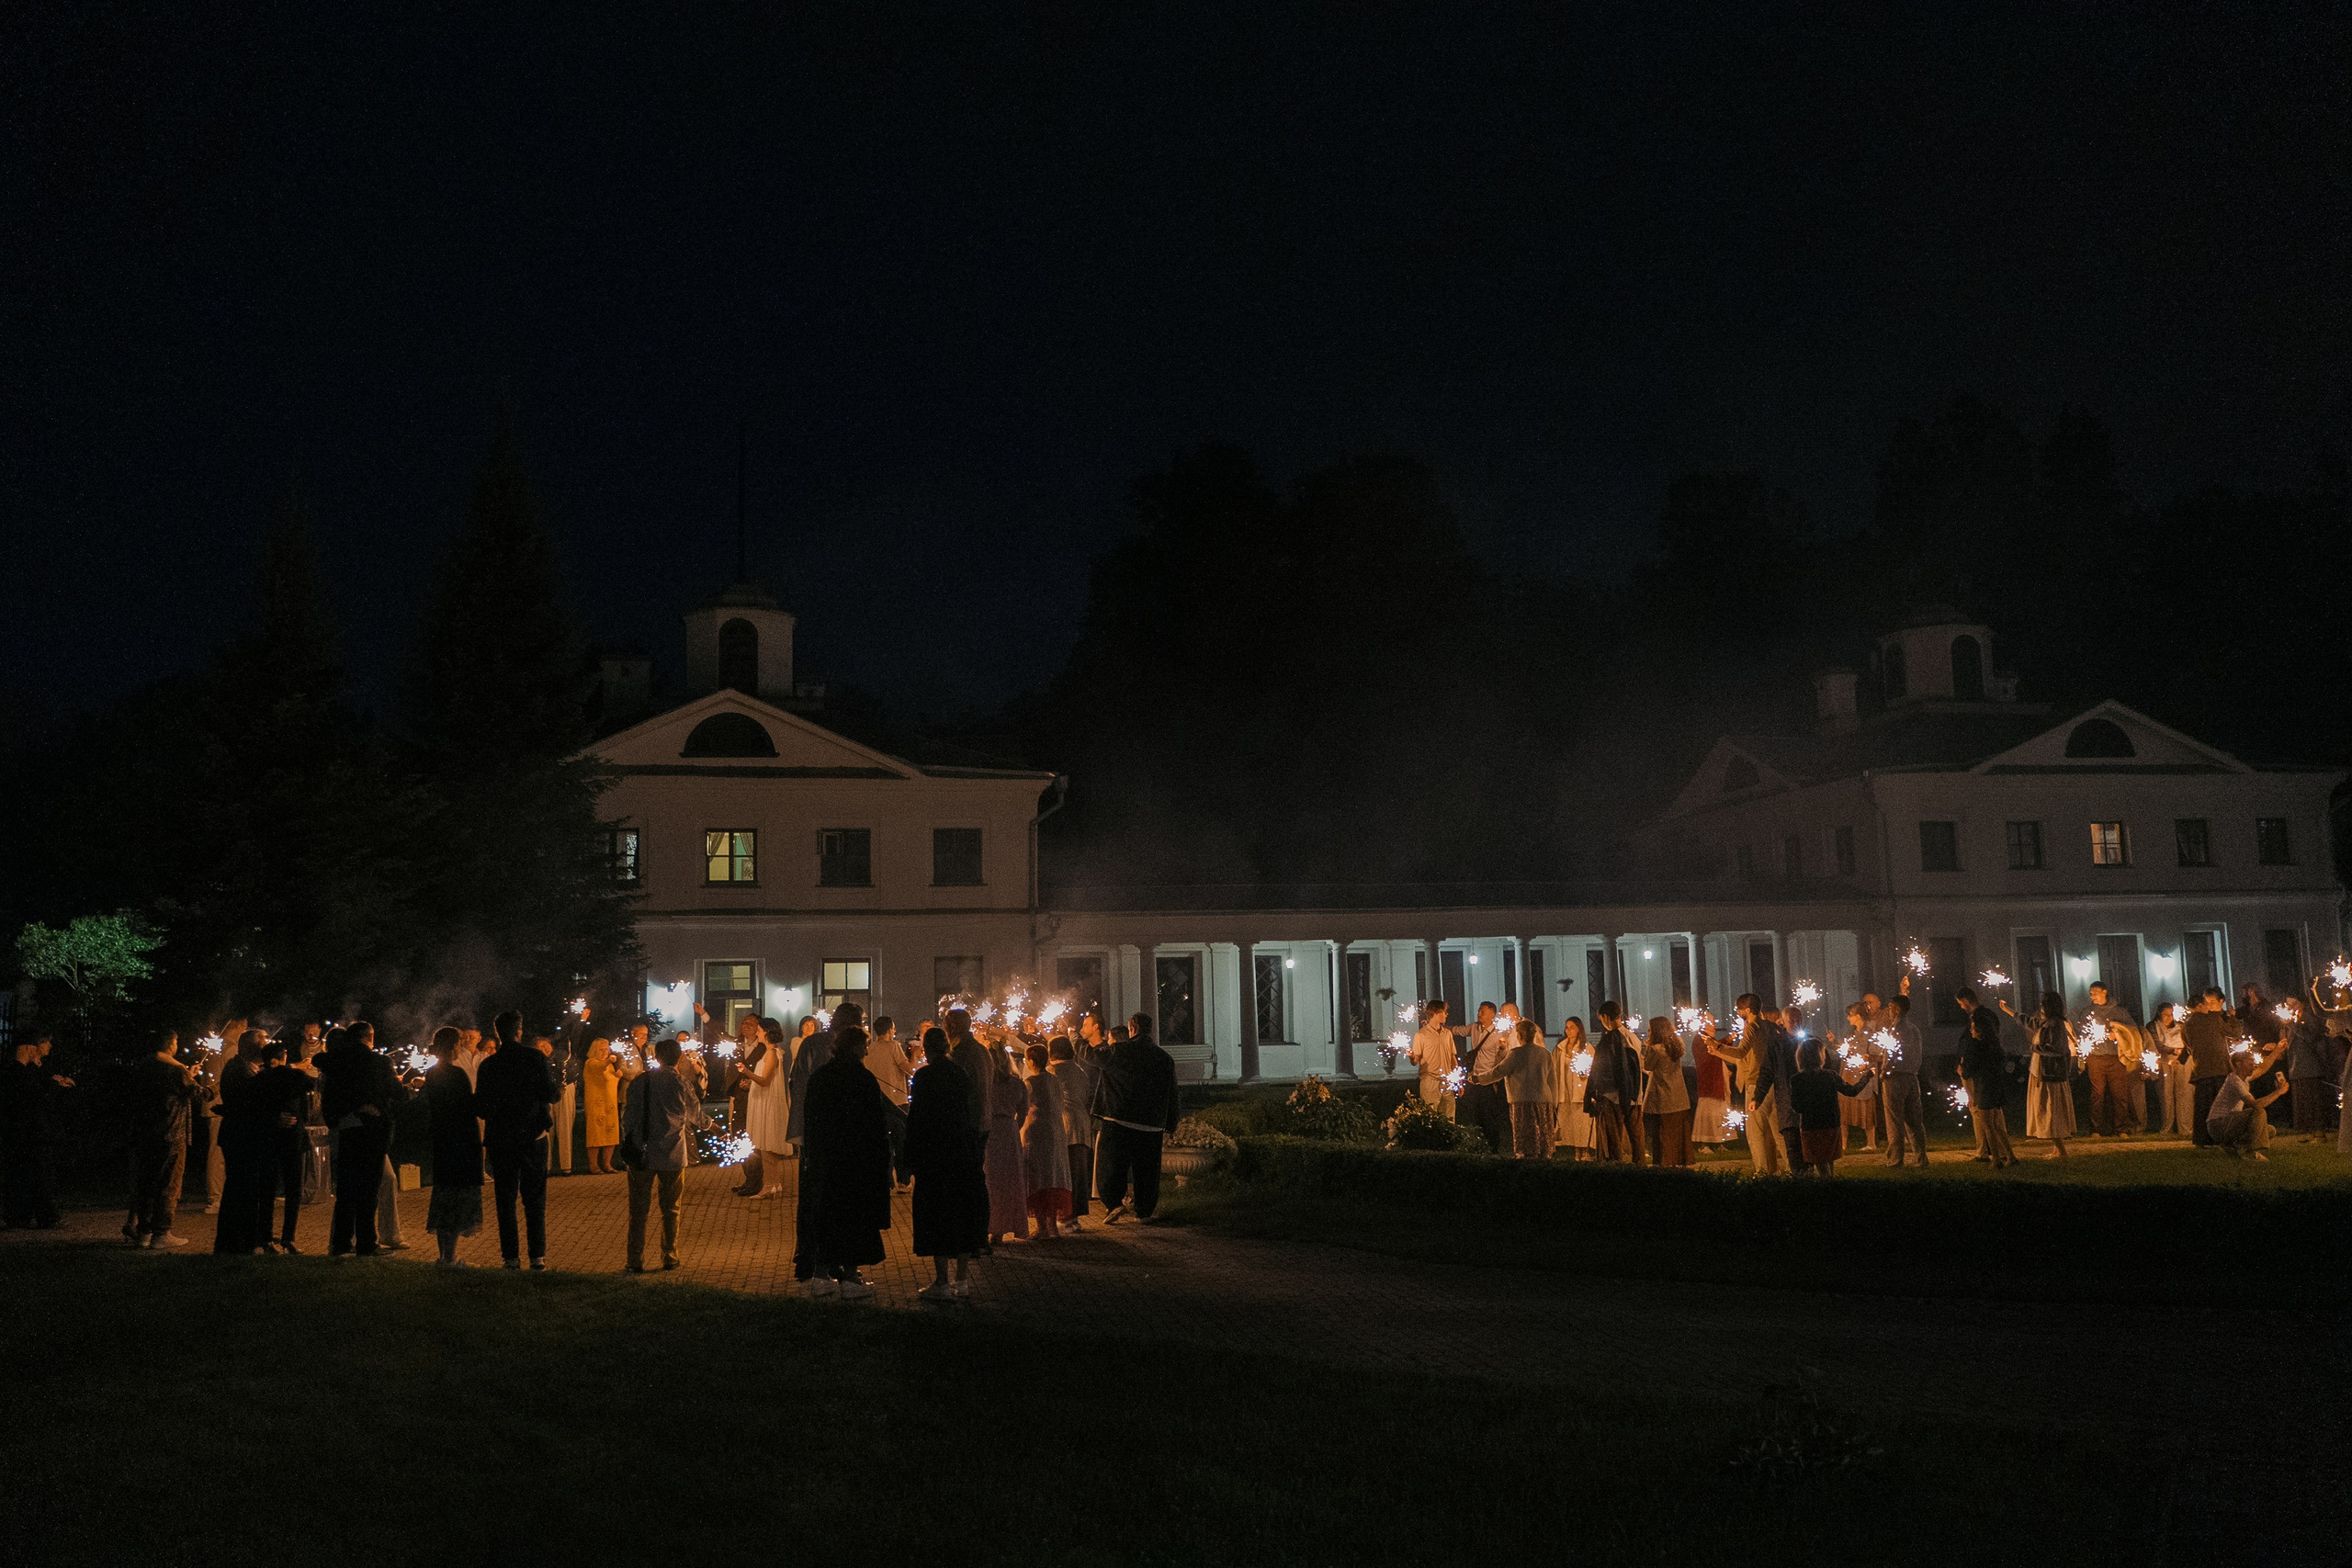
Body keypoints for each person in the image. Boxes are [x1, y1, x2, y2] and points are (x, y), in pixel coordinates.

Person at [800, 1024, 890, 1296]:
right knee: (853, 1218)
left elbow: (811, 1118)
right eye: (863, 1046)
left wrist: (813, 1154)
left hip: (826, 1159)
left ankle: (821, 1274)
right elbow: (875, 1123)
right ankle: (850, 1278)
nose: (866, 1051)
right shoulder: (862, 1079)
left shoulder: (822, 1076)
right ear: (853, 1047)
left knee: (825, 1215)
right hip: (855, 1161)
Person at [473, 1010, 558, 1270]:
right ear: (519, 1030)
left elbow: (482, 1108)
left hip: (502, 1139)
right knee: (535, 1199)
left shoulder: (489, 1065)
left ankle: (510, 1257)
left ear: (497, 1033)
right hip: (533, 1137)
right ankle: (537, 1256)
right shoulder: (535, 1058)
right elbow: (552, 1094)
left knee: (505, 1199)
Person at [908, 1026, 987, 1302]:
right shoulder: (960, 1074)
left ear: (928, 1050)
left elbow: (916, 1119)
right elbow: (972, 1110)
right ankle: (962, 1279)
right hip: (962, 1152)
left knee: (937, 1216)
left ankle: (942, 1281)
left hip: (935, 1155)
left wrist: (910, 1159)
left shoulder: (924, 1076)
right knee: (963, 1214)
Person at [622, 1036, 709, 1273]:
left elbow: (628, 1116)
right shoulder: (681, 1083)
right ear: (680, 1058)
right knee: (671, 1209)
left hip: (642, 1154)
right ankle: (669, 1256)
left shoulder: (640, 1082)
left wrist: (632, 1138)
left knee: (638, 1210)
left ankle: (634, 1259)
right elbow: (696, 1117)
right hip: (673, 1154)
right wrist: (712, 1126)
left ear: (656, 1057)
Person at [317, 1021, 402, 1257]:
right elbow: (398, 1093)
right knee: (369, 1189)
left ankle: (341, 1242)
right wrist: (403, 1086)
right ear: (369, 1037)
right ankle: (367, 1243)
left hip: (347, 1129)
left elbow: (333, 1096)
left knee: (346, 1189)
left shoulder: (337, 1063)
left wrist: (352, 1108)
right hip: (372, 1131)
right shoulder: (380, 1062)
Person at [789, 1004, 856, 1283]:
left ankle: (822, 1259)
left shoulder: (818, 1045)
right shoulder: (823, 1047)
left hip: (819, 1134)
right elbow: (800, 1086)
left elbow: (797, 1084)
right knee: (819, 1198)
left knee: (822, 1199)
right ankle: (812, 1259)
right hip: (822, 1136)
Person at [1093, 1012, 1179, 1224]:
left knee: (1111, 1163)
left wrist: (1077, 1038)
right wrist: (1171, 1122)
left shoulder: (1120, 1050)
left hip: (1119, 1117)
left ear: (1132, 1029)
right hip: (1151, 1124)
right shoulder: (1164, 1058)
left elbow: (1094, 1057)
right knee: (1147, 1169)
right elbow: (1172, 1092)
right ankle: (1144, 1211)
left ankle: (1114, 1203)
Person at [126, 1032, 198, 1247]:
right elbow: (198, 1093)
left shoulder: (144, 1065)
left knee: (148, 1183)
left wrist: (188, 1074)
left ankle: (144, 1232)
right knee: (169, 1185)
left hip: (146, 1134)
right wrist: (214, 1085)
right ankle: (162, 1233)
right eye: (176, 1042)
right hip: (172, 1133)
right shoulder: (175, 1069)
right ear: (170, 1045)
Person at [250, 1037, 317, 1254]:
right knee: (293, 1189)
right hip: (292, 1139)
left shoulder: (258, 1079)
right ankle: (288, 1238)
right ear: (280, 1058)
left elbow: (254, 1107)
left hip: (267, 1138)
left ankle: (265, 1238)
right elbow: (311, 1083)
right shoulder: (293, 1075)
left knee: (267, 1190)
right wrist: (295, 1068)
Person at [423, 1027, 482, 1268]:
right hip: (461, 1140)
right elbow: (467, 1106)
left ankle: (444, 1255)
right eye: (459, 1043)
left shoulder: (432, 1074)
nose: (461, 1047)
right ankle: (451, 1256)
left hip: (443, 1140)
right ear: (452, 1046)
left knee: (445, 1194)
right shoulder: (456, 1074)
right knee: (458, 1197)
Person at [1705, 1009, 1780, 1176]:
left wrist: (1717, 1045)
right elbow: (1741, 1060)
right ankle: (1792, 1170)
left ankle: (1761, 1171)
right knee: (1777, 1131)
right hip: (1767, 1084)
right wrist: (1718, 1052)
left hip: (1756, 1085)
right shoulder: (1765, 1032)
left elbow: (1740, 1054)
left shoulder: (1755, 1032)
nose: (1744, 1028)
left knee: (1755, 1132)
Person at [1790, 1041, 1875, 1176]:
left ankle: (1828, 1187)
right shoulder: (1830, 1076)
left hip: (1810, 1128)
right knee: (1828, 1162)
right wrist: (1866, 1077)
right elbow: (1852, 1091)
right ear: (1819, 1057)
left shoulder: (1797, 1079)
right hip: (1831, 1126)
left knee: (1820, 1162)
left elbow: (1796, 1107)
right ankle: (1831, 1186)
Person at [1480, 1018, 1558, 1158]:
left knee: (1525, 1134)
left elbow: (1498, 1072)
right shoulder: (1545, 1054)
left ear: (1520, 1035)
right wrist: (1554, 1101)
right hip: (1543, 1101)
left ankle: (1525, 1158)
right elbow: (1552, 1080)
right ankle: (1544, 1158)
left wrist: (1478, 1078)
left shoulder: (1516, 1053)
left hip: (1522, 1101)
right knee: (1542, 1135)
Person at [1583, 1002, 1645, 1165]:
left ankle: (1616, 1165)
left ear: (1605, 1017)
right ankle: (1640, 1165)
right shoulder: (1633, 1037)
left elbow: (1601, 1067)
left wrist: (1593, 1090)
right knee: (1636, 1134)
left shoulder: (1609, 1039)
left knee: (1614, 1135)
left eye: (1601, 1019)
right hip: (1634, 1093)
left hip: (1613, 1095)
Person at [1020, 1045, 1071, 1236]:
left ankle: (1042, 1227)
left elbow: (1024, 1107)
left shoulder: (1030, 1082)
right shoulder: (1054, 1080)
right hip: (1056, 1130)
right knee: (1052, 1175)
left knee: (1038, 1175)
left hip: (1036, 1132)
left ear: (1032, 1061)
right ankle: (1052, 1226)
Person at [2076, 982, 2140, 1137]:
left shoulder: (2119, 1012)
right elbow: (2081, 1033)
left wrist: (2117, 1034)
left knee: (2120, 1095)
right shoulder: (2087, 1012)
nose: (2093, 996)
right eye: (2091, 994)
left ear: (2105, 992)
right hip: (2096, 1058)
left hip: (2116, 1058)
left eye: (2095, 993)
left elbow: (2133, 1031)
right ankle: (2096, 1129)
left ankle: (2121, 1129)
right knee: (2097, 1095)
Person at [739, 1016, 790, 1197]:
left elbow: (765, 1080)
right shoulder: (773, 1052)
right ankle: (774, 1184)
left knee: (766, 1147)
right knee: (766, 1147)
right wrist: (750, 1082)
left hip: (767, 1103)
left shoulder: (771, 1053)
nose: (757, 1033)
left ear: (766, 1032)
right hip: (765, 1101)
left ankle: (769, 1186)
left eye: (759, 1030)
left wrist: (747, 1072)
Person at [1959, 1006, 2017, 1167]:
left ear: (1979, 1030)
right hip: (1997, 1086)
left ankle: (1997, 1159)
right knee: (1998, 1125)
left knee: (1988, 1125)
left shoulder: (1976, 1047)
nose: (1971, 1031)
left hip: (1984, 1088)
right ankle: (2011, 1156)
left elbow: (1969, 1070)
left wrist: (1962, 1070)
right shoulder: (1995, 1045)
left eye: (1972, 1028)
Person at [1047, 1036, 1098, 1218]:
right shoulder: (1080, 1071)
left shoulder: (1051, 1071)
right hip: (1082, 1124)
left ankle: (1064, 1215)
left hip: (1063, 1124)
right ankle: (1075, 1215)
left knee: (1063, 1173)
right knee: (1078, 1173)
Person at [2207, 1046, 2289, 1159]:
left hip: (2227, 1123)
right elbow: (2256, 1105)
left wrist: (2277, 1051)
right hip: (2218, 1125)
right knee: (2259, 1113)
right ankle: (2250, 1152)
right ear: (2239, 1064)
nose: (2254, 1066)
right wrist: (2278, 1092)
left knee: (2269, 1130)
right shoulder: (2235, 1081)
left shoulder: (2243, 1078)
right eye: (2250, 1063)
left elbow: (2263, 1068)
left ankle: (2233, 1147)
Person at [2179, 988, 2236, 1146]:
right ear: (2199, 1005)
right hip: (2219, 1069)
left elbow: (2188, 1047)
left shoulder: (2186, 1026)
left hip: (2200, 1071)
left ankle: (2201, 1139)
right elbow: (2234, 1033)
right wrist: (2233, 1019)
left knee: (2202, 1107)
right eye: (2206, 1004)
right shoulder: (2214, 1020)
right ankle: (2221, 1137)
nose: (2208, 1008)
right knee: (2220, 1105)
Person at [1454, 1001, 1513, 1156]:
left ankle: (1493, 1147)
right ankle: (1480, 1145)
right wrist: (1441, 1027)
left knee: (1489, 1116)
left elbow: (1501, 1058)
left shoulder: (1498, 1033)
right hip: (1474, 1079)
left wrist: (1502, 1049)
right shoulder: (1474, 1028)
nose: (1479, 1014)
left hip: (1488, 1080)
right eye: (1479, 1011)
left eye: (1482, 1012)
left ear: (1492, 1015)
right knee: (1477, 1115)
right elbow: (1458, 1030)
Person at [984, 1043, 1029, 1243]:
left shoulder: (984, 1083)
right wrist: (1014, 1126)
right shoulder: (1016, 1083)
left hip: (989, 1130)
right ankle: (1000, 1230)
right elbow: (1024, 1109)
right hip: (1008, 1131)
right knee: (1008, 1181)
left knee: (989, 1180)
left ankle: (987, 1224)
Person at [2024, 992, 2075, 1160]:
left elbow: (2058, 1050)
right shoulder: (2047, 1023)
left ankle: (2061, 1150)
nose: (2041, 1009)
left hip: (2050, 1074)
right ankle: (2057, 1148)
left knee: (2051, 1112)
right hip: (2041, 1071)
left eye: (2043, 1006)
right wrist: (2008, 1010)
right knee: (2047, 1110)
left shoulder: (2057, 1025)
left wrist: (2035, 1048)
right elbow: (2028, 1022)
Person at [865, 1015, 914, 1187]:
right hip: (897, 1101)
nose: (894, 1031)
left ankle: (886, 1180)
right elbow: (909, 1069)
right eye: (893, 1028)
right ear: (888, 1030)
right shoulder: (893, 1046)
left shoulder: (869, 1049)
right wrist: (914, 1056)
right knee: (901, 1142)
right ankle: (903, 1179)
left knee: (884, 1143)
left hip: (878, 1102)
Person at [1638, 1016, 1693, 1168]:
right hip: (1678, 1096)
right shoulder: (1676, 1046)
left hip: (1663, 1096)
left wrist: (1644, 1051)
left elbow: (1648, 1066)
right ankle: (1677, 1162)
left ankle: (1663, 1163)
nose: (1648, 1031)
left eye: (1650, 1029)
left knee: (1662, 1133)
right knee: (1676, 1133)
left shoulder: (1655, 1049)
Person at [2277, 1001, 2333, 1140]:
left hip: (2310, 1065)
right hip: (2296, 1066)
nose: (2291, 1007)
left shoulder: (2309, 1016)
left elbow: (2311, 1037)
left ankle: (2319, 1133)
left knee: (2313, 1100)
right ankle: (2307, 1132)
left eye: (2294, 1004)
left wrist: (2291, 1024)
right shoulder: (2291, 1020)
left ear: (2302, 1004)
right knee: (2302, 1101)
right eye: (2289, 1004)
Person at [1407, 1000, 1458, 1119]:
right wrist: (1411, 1057)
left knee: (1449, 1117)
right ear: (1435, 1012)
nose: (1447, 1014)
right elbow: (1415, 1061)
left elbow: (1452, 1057)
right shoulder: (1421, 1035)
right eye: (1444, 1012)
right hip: (1430, 1081)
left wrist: (1458, 1081)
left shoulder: (1447, 1034)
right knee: (1430, 1117)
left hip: (1447, 1081)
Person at [1553, 1017, 1596, 1159]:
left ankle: (1585, 1151)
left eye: (1572, 1027)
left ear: (1579, 1029)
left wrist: (1584, 1072)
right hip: (1565, 1090)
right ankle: (1576, 1151)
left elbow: (1592, 1068)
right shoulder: (1560, 1048)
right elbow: (1554, 1067)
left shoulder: (1586, 1048)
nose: (1568, 1030)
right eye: (1567, 1027)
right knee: (1571, 1123)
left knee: (1582, 1123)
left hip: (1580, 1091)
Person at [580, 1035, 624, 1173]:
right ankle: (593, 1165)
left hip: (610, 1104)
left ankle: (607, 1164)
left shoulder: (610, 1065)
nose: (605, 1052)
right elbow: (599, 1068)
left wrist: (618, 1076)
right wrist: (608, 1061)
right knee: (596, 1133)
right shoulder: (590, 1063)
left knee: (611, 1132)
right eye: (601, 1049)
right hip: (596, 1104)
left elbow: (610, 1082)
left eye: (606, 1049)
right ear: (594, 1051)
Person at [1690, 1013, 1730, 1152]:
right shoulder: (1699, 1038)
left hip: (1716, 1081)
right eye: (1711, 1022)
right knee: (1707, 1114)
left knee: (1718, 1113)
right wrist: (1726, 1040)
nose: (1714, 1024)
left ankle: (1718, 1143)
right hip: (1708, 1083)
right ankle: (1704, 1144)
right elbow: (1707, 1055)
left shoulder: (1710, 1038)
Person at [2152, 1004, 2194, 1135]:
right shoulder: (2153, 1026)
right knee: (2166, 1093)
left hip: (2183, 1058)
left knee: (2185, 1092)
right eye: (2165, 1015)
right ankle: (2167, 1128)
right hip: (2165, 1059)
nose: (2169, 1018)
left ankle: (2185, 1128)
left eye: (2171, 1014)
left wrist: (2182, 1052)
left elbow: (2189, 1041)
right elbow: (2156, 1043)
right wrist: (2170, 1050)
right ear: (2159, 1014)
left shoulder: (2181, 1025)